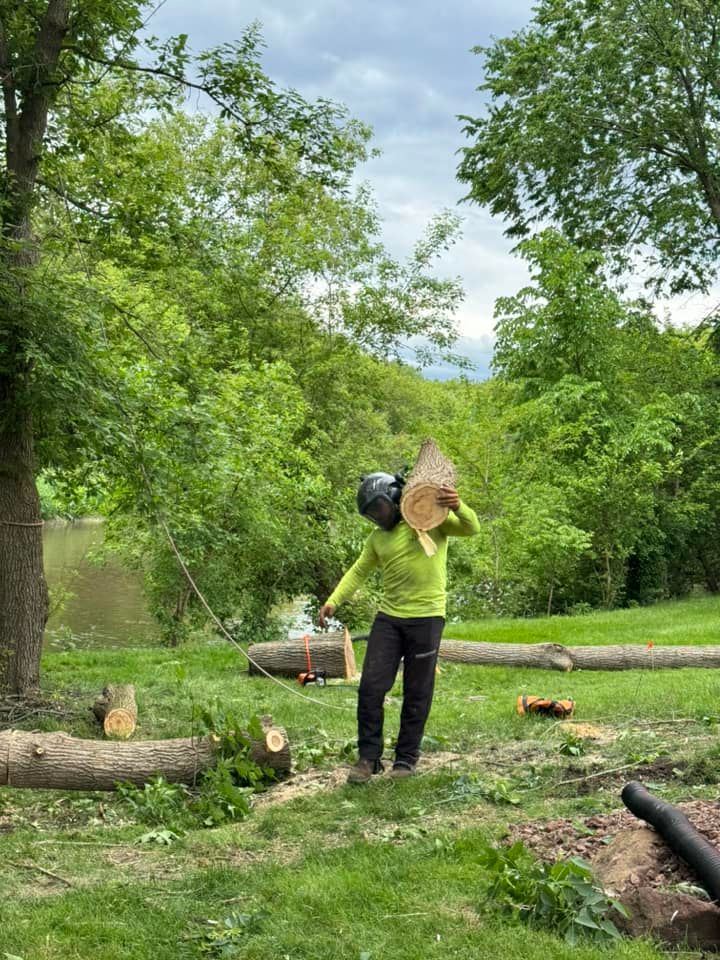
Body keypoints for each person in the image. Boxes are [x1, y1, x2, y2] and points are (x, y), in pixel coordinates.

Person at [319, 471, 481, 783]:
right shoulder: (377, 539)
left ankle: (405, 760)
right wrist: (334, 601)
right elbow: (358, 571)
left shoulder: (430, 519)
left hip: (428, 617)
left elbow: (472, 528)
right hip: (390, 618)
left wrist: (459, 506)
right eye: (370, 515)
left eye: (379, 509)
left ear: (394, 498)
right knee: (371, 688)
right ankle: (368, 758)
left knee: (417, 691)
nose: (377, 518)